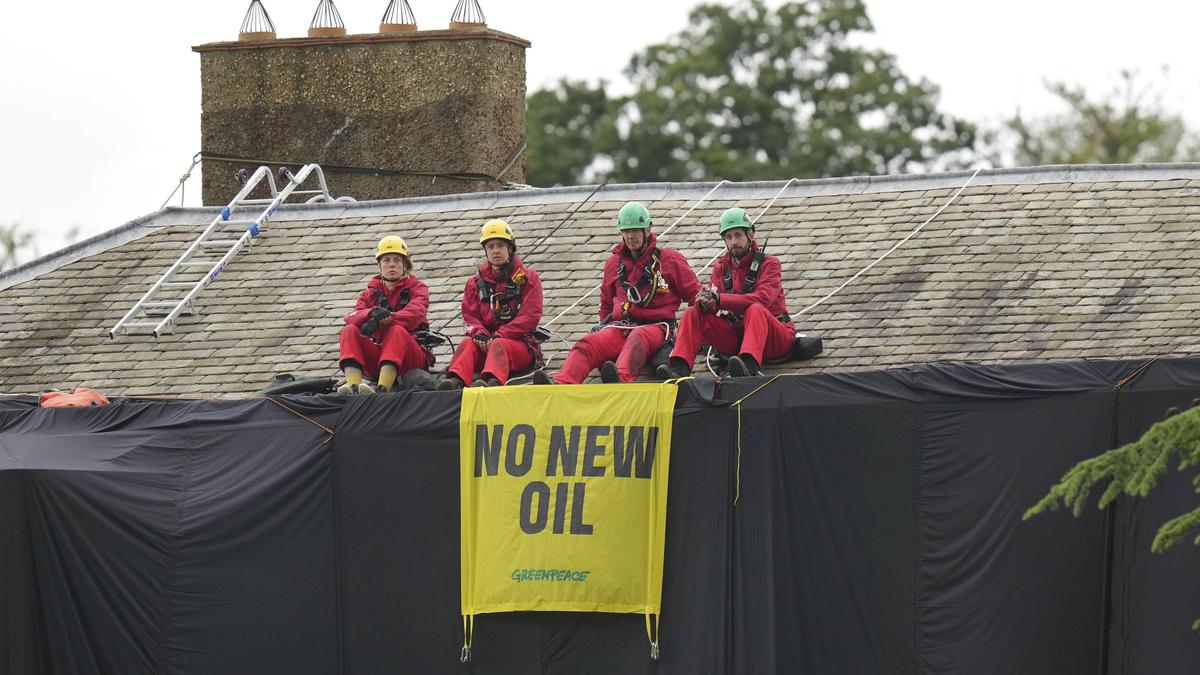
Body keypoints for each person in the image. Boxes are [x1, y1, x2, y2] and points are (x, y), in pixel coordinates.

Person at [534, 202, 700, 384]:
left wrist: (691, 338)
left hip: (657, 328)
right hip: (621, 326)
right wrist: (601, 329)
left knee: (638, 337)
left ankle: (619, 380)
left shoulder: (670, 259)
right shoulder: (613, 264)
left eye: (636, 230)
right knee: (588, 343)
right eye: (626, 231)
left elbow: (695, 295)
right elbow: (606, 304)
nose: (630, 236)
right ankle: (561, 384)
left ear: (648, 230)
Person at [660, 207, 794, 378]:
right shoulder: (722, 267)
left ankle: (748, 367)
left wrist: (720, 299)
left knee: (756, 309)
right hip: (739, 336)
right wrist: (705, 303)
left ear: (750, 235)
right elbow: (714, 306)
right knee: (692, 312)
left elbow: (763, 299)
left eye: (738, 235)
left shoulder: (770, 264)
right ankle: (679, 369)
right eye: (728, 237)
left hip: (775, 338)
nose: (733, 242)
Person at [437, 220, 544, 389]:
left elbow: (530, 318)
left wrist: (499, 335)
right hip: (486, 345)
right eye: (490, 247)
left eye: (500, 245)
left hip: (519, 348)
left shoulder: (528, 279)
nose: (495, 251)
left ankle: (492, 382)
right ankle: (455, 381)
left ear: (510, 248)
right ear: (485, 251)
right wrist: (480, 334)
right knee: (467, 343)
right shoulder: (474, 284)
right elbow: (469, 317)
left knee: (499, 344)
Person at [337, 236, 431, 394]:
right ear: (380, 265)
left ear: (405, 264)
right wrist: (371, 313)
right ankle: (354, 387)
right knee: (349, 330)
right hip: (379, 358)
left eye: (397, 260)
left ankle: (383, 389)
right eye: (386, 260)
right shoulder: (369, 294)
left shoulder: (418, 288)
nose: (392, 264)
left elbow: (415, 313)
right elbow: (351, 317)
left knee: (397, 330)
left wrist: (381, 321)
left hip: (411, 358)